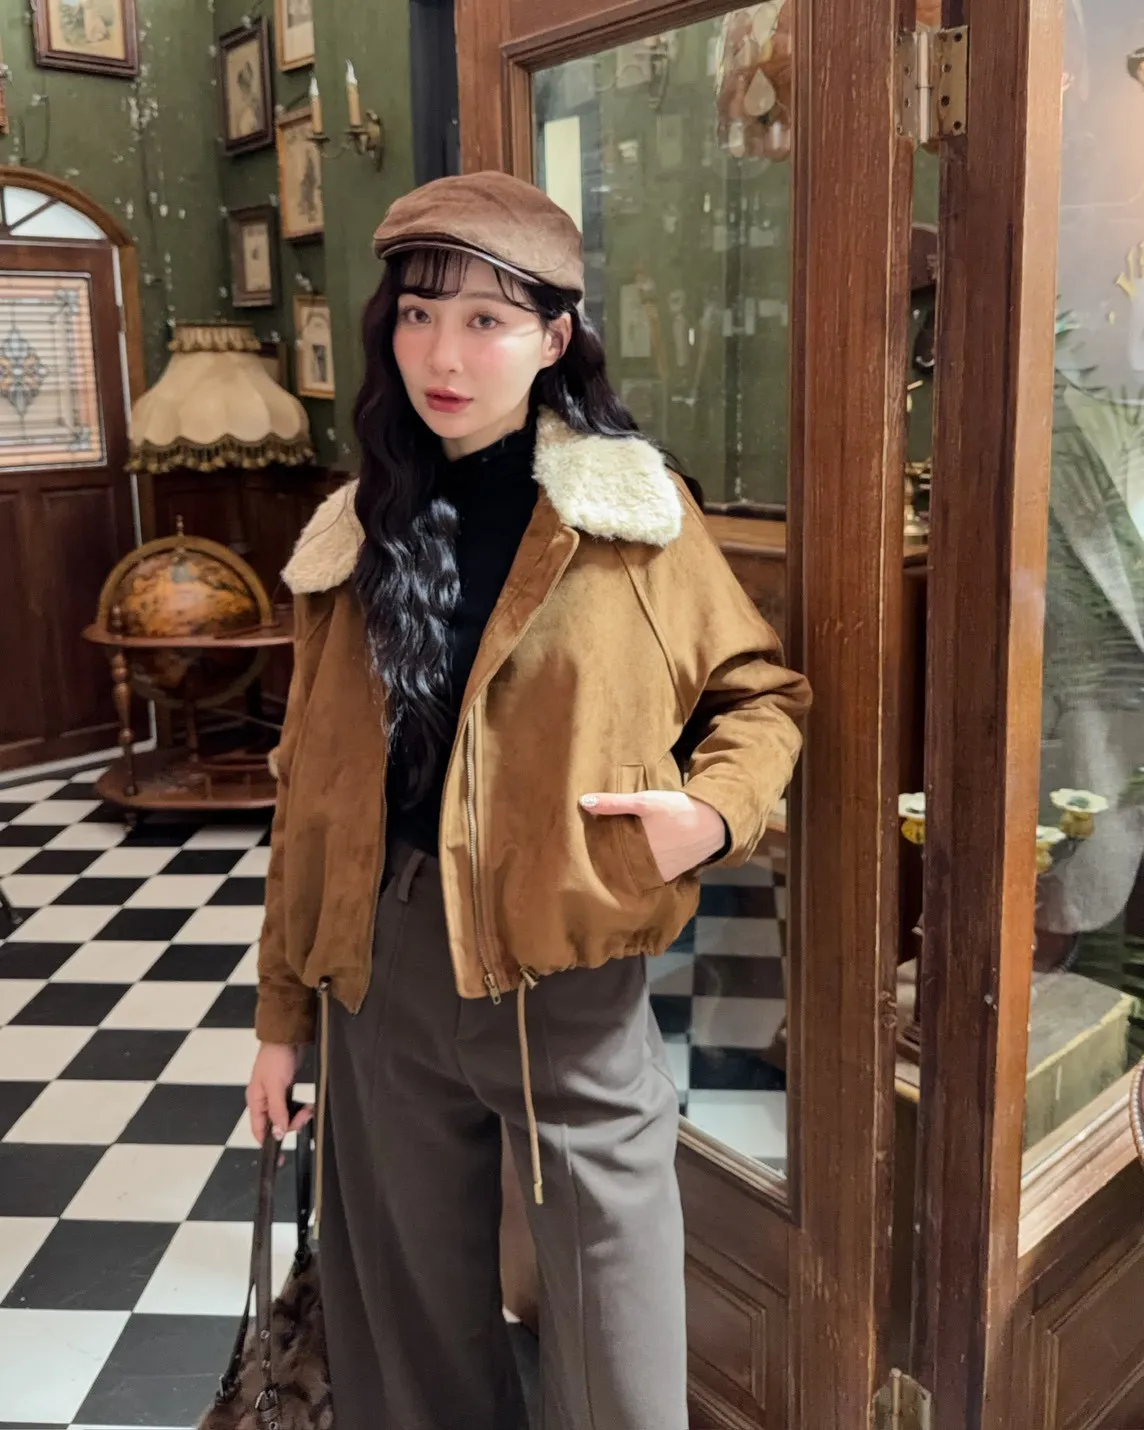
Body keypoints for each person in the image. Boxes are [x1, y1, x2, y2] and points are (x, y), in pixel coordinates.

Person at [246, 170, 811, 1430]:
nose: (442, 355)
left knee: (617, 1347)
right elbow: (308, 798)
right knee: (407, 1339)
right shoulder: (353, 532)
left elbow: (761, 695)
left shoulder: (626, 516)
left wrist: (712, 814)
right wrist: (282, 1017)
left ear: (554, 338)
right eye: (417, 314)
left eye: (486, 320)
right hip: (378, 969)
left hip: (564, 979)